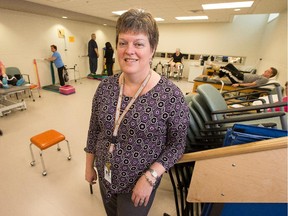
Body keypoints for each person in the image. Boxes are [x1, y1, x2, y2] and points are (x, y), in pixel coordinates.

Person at [84, 9, 189, 216]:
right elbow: (94, 130)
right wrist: (89, 166)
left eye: (138, 44)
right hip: (106, 177)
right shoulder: (106, 87)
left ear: (152, 49)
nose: (129, 50)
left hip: (139, 183)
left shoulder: (171, 95)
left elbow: (177, 145)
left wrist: (150, 177)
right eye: (123, 43)